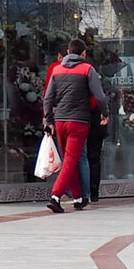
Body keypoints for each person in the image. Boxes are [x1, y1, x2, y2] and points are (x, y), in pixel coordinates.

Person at [42, 38, 109, 213]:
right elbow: (100, 96)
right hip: (78, 121)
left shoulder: (56, 70)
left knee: (68, 160)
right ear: (83, 53)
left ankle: (79, 198)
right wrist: (105, 113)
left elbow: (48, 99)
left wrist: (48, 120)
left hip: (60, 120)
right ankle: (55, 196)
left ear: (68, 52)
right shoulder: (88, 69)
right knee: (71, 161)